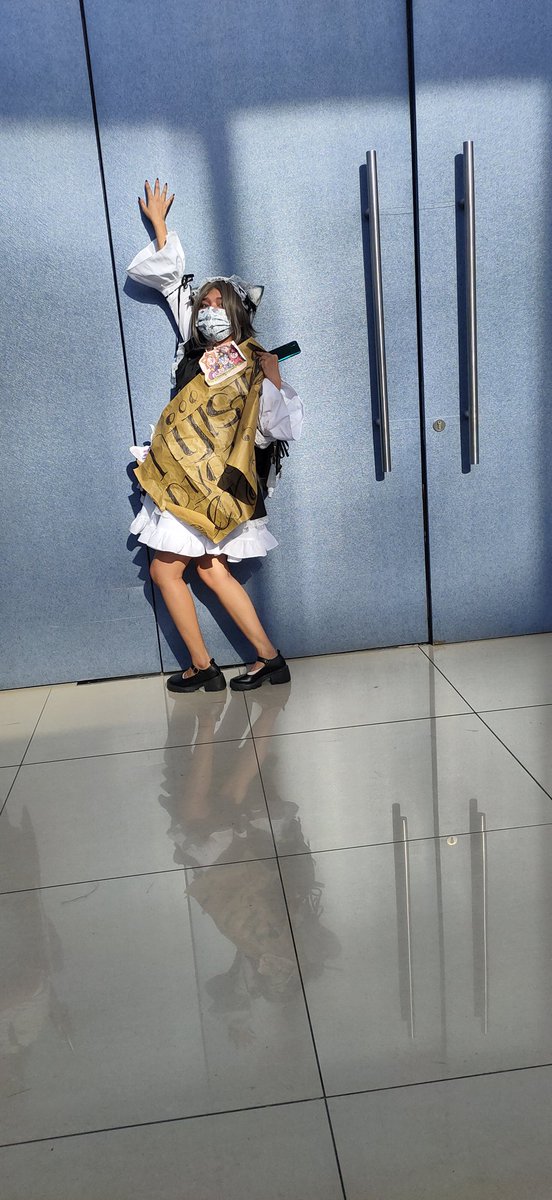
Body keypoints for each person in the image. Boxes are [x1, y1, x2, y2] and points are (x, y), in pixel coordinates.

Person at [126, 179, 304, 694]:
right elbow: (170, 284)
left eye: (219, 305)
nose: (208, 311)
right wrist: (160, 227)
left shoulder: (253, 361)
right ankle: (266, 659)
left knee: (173, 572)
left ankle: (206, 667)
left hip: (213, 485)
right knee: (207, 569)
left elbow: (275, 430)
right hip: (182, 474)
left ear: (237, 313)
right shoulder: (195, 347)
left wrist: (274, 380)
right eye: (203, 303)